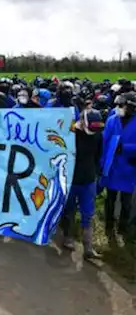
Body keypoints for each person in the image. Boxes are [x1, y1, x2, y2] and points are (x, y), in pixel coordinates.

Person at [60, 103, 105, 260]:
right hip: (71, 180)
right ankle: (68, 238)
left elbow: (98, 155)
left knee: (88, 213)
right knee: (69, 211)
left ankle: (88, 247)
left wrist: (97, 173)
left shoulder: (98, 135)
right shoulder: (70, 133)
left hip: (88, 180)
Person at [101, 95, 136, 242]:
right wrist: (102, 163)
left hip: (129, 167)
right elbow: (104, 142)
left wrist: (126, 148)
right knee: (110, 199)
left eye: (123, 106)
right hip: (113, 166)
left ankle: (123, 227)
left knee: (126, 202)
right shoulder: (112, 120)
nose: (120, 109)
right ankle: (109, 226)